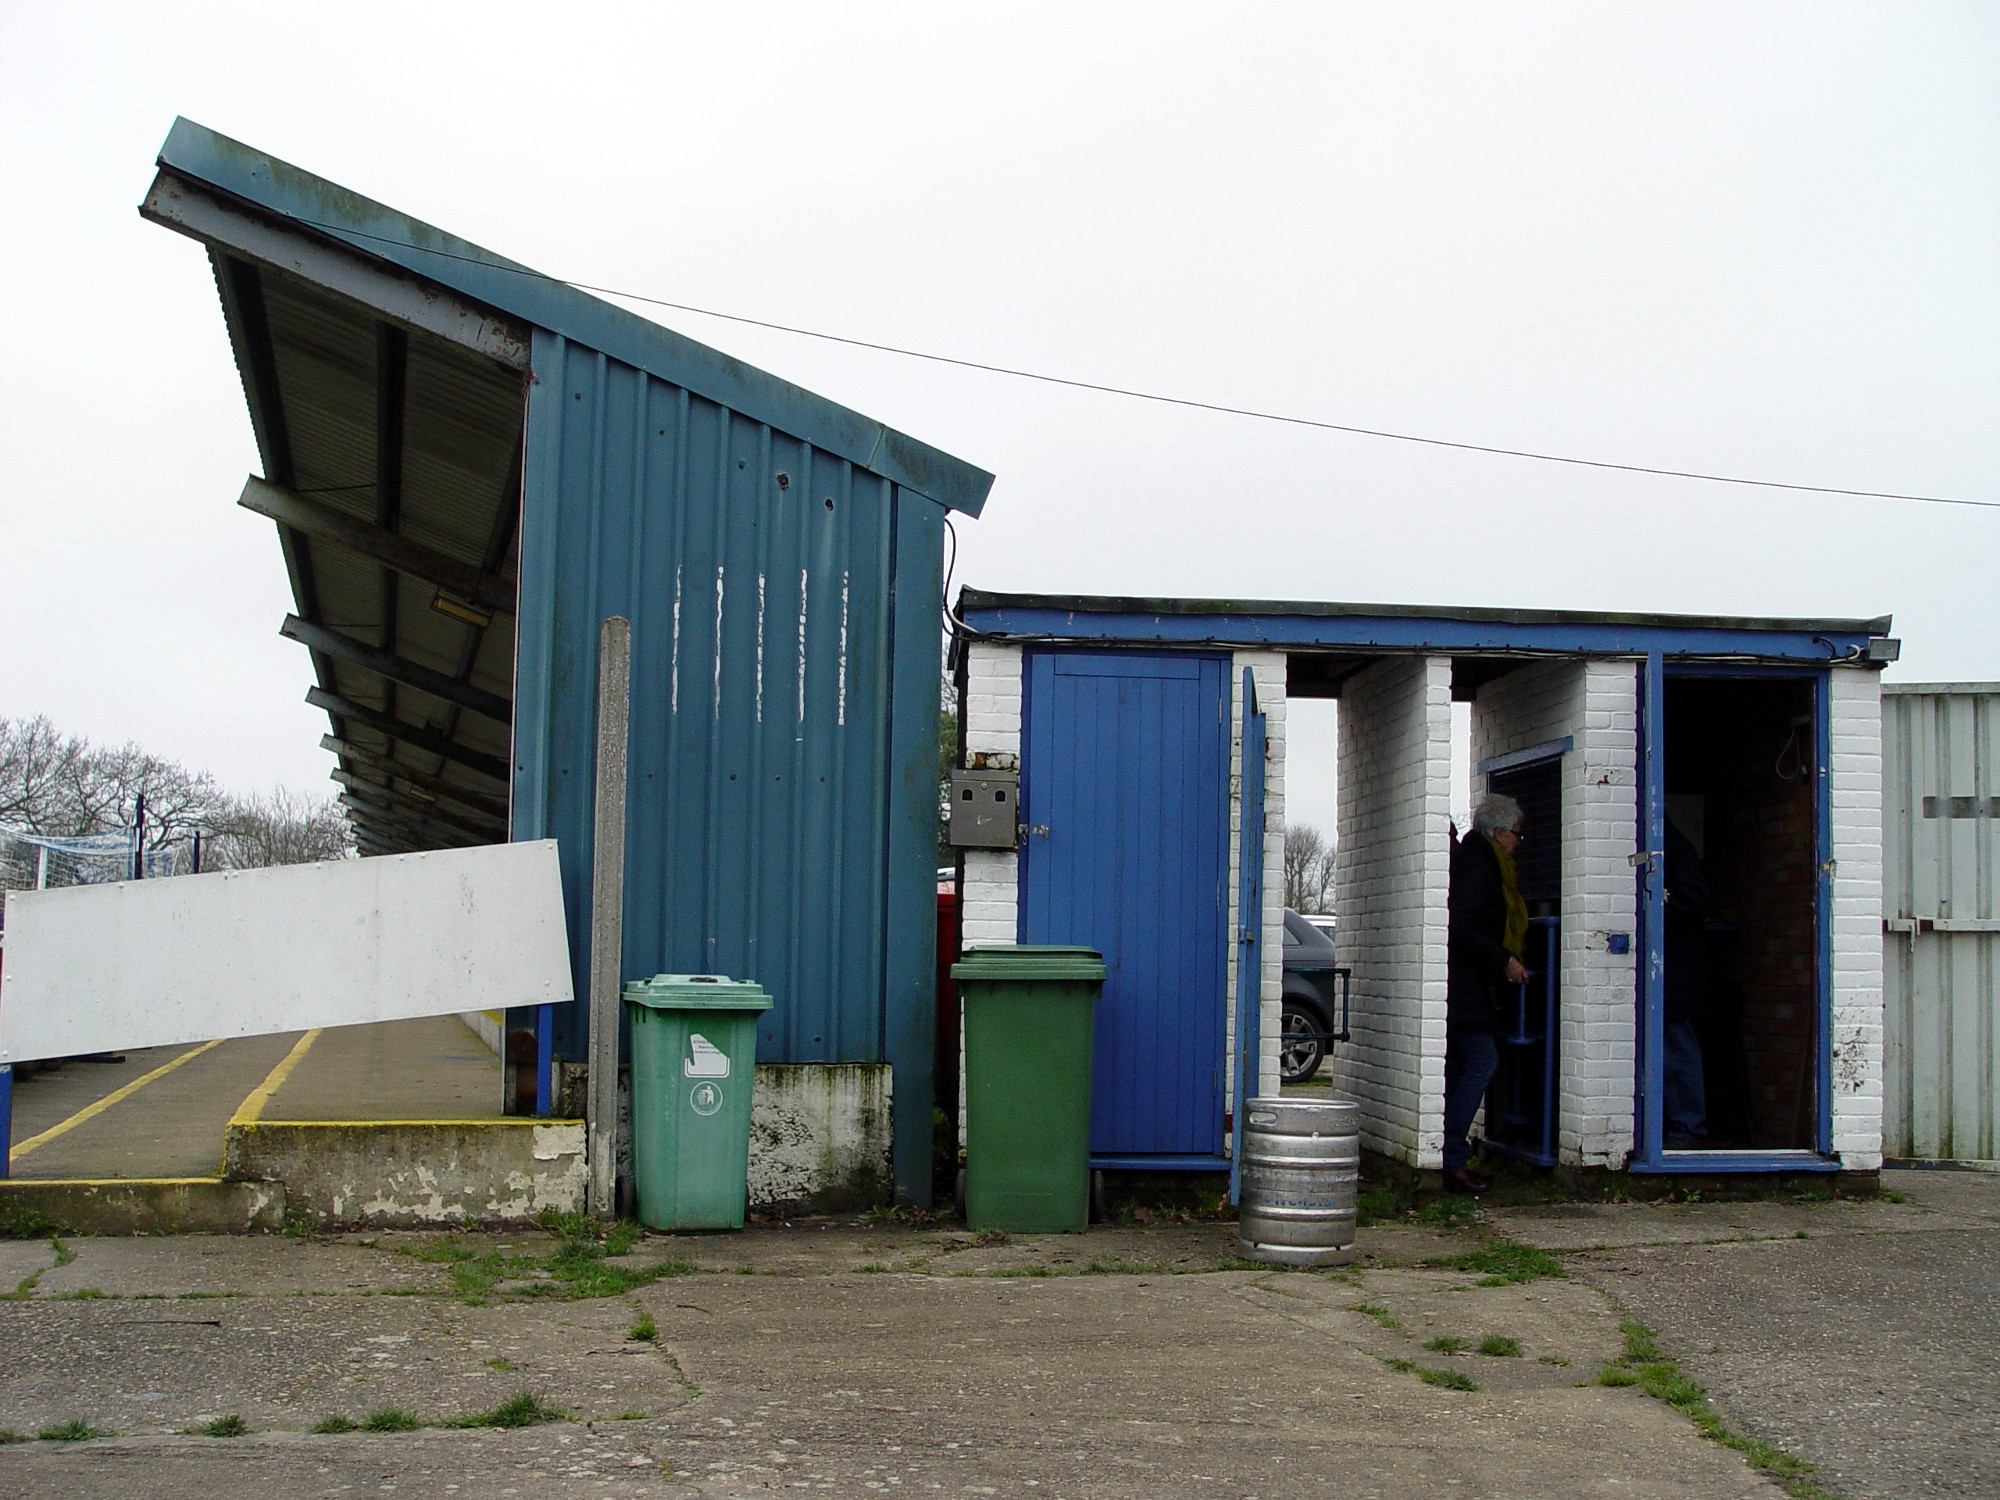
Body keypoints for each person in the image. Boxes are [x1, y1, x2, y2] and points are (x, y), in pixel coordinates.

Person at [1443, 793, 1529, 1194]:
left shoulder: (1476, 860)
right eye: (1516, 834)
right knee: (1481, 1061)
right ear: (1498, 833)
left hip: (1466, 986)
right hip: (1468, 987)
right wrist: (1504, 960)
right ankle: (1453, 1159)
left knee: (1462, 1067)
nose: (1518, 842)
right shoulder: (1479, 866)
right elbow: (1463, 925)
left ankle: (1450, 1156)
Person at [1662, 819, 1711, 1147]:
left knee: (1677, 1051)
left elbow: (1693, 898)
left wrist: (1656, 900)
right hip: (1676, 971)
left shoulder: (1671, 848)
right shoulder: (1676, 844)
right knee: (1674, 1050)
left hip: (1675, 973)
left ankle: (1688, 1128)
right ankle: (1682, 1127)